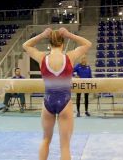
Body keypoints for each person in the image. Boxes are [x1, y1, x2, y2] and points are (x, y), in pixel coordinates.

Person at [23, 27, 91, 160]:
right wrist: (69, 34)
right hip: (65, 101)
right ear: (63, 43)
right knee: (64, 146)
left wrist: (42, 34)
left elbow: (26, 45)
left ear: (49, 44)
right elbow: (88, 44)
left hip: (48, 101)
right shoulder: (69, 57)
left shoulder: (42, 57)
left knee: (46, 139)